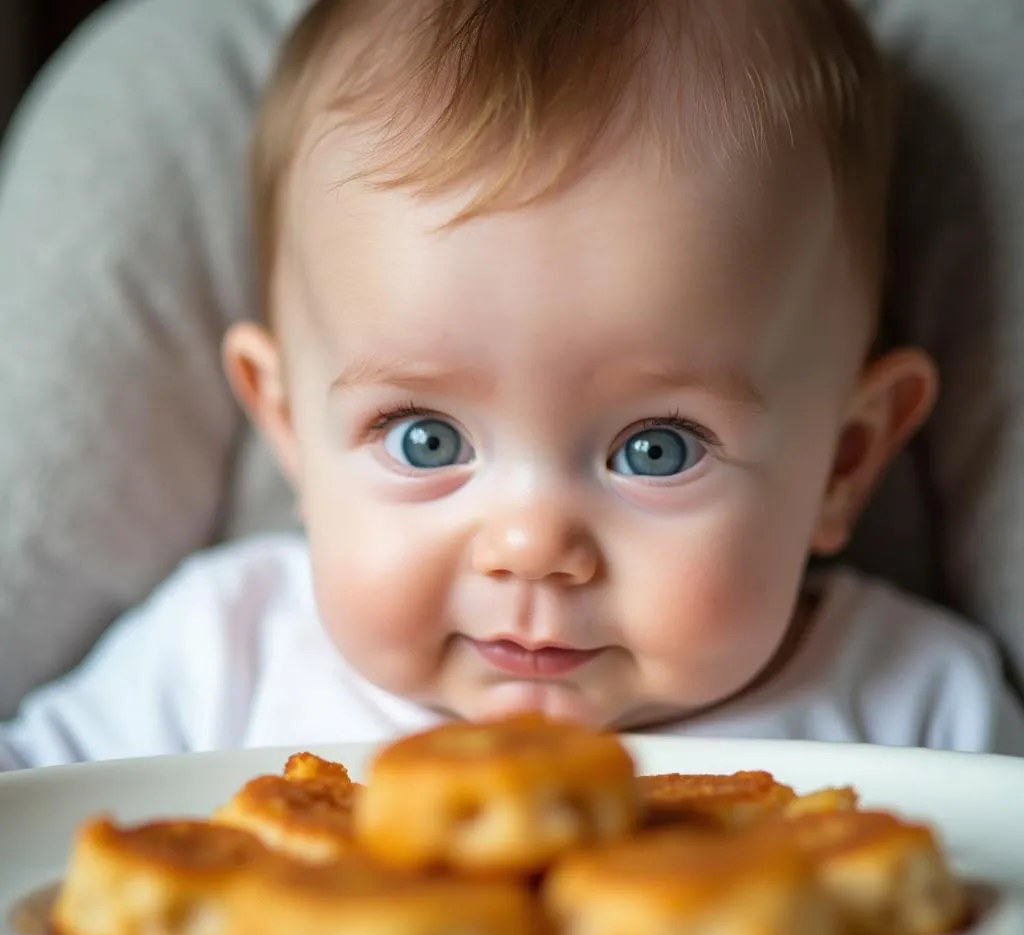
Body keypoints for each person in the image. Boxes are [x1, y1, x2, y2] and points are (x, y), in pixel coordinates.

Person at [3, 0, 1023, 771]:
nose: (532, 546)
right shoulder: (219, 663)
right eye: (425, 440)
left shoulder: (916, 714)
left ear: (842, 462)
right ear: (287, 428)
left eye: (655, 447)